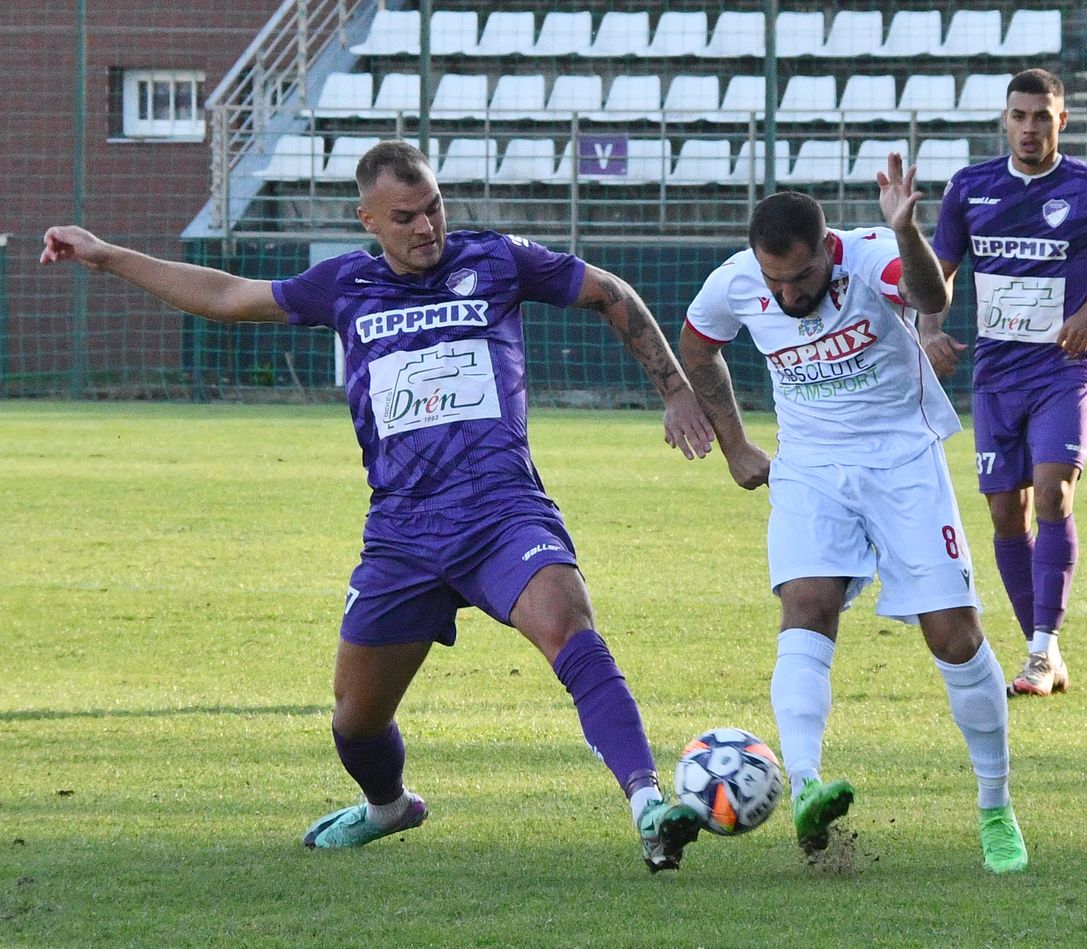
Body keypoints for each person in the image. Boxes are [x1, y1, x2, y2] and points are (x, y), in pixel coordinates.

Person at [40, 140, 717, 872]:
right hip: (402, 530)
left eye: (433, 208)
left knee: (570, 627)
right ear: (367, 219)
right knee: (356, 722)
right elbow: (229, 297)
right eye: (406, 217)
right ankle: (389, 806)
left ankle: (649, 804)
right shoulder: (344, 284)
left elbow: (611, 292)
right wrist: (106, 254)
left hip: (501, 509)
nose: (427, 227)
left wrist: (676, 388)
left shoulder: (496, 261)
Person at [677, 155, 1028, 874]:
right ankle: (804, 786)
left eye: (799, 279)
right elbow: (699, 345)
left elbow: (934, 293)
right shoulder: (738, 282)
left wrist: (907, 232)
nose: (785, 293)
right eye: (773, 280)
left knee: (955, 636)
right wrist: (734, 441)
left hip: (903, 461)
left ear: (827, 250)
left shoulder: (871, 257)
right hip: (809, 467)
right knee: (805, 606)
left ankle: (996, 807)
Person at [924, 68, 1087, 697]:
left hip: (1063, 369)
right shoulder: (970, 189)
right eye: (1020, 116)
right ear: (1005, 119)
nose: (1030, 128)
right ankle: (1041, 650)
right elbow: (936, 275)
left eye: (1042, 117)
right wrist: (927, 327)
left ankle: (1041, 649)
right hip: (997, 375)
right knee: (1005, 512)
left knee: (1052, 493)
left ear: (1062, 121)